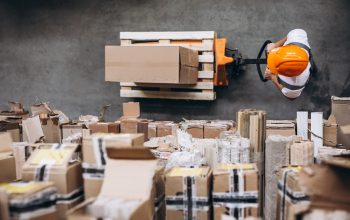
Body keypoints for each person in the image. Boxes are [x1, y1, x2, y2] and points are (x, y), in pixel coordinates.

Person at [265, 29, 316, 100]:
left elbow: (291, 97)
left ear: (285, 74)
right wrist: (275, 45)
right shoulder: (298, 37)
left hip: (305, 74)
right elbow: (291, 35)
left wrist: (273, 78)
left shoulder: (296, 83)